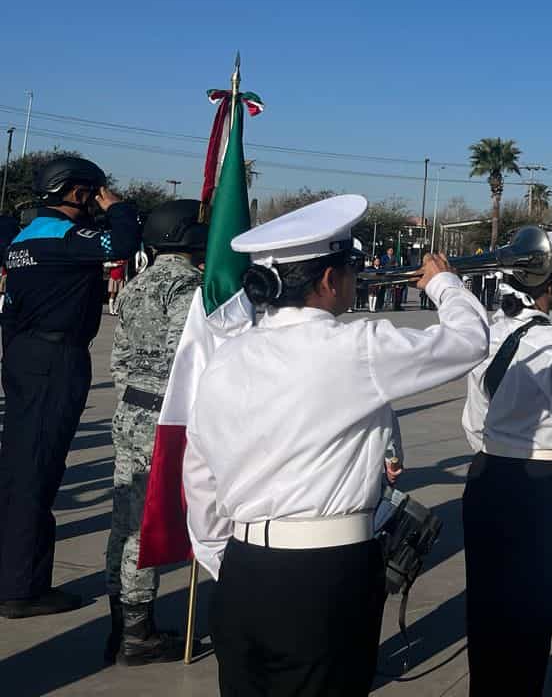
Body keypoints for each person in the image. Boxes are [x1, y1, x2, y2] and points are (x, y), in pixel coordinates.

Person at [182, 195, 490, 695]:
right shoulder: (356, 346)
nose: (355, 278)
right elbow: (469, 339)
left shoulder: (227, 356)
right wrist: (444, 284)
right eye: (349, 268)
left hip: (241, 569)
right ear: (328, 280)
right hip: (323, 573)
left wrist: (224, 556)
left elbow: (198, 473)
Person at [0, 156, 140, 619]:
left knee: (25, 469)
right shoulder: (66, 237)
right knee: (36, 474)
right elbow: (123, 242)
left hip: (25, 355)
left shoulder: (25, 237)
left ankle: (19, 579)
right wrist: (118, 207)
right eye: (93, 194)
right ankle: (20, 588)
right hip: (54, 360)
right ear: (79, 193)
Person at [460, 229, 552, 696]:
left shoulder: (487, 335)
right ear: (551, 285)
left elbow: (474, 421)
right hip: (541, 486)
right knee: (531, 618)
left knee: (488, 616)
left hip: (489, 475)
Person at [102, 199, 208, 665]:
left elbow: (119, 360)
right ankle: (138, 633)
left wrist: (136, 399)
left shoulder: (136, 284)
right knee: (144, 525)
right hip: (163, 417)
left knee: (124, 521)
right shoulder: (187, 286)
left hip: (130, 411)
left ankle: (118, 624)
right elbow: (183, 359)